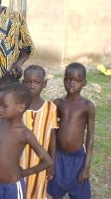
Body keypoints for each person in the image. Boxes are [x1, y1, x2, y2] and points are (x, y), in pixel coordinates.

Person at [0, 82, 52, 199]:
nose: (0, 109)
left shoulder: (24, 133)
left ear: (21, 107)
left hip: (12, 187)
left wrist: (24, 173)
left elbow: (47, 161)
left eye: (4, 106)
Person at [47, 62, 95, 199]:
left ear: (84, 83)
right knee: (56, 190)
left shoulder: (87, 106)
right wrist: (51, 160)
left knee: (79, 191)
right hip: (59, 156)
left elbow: (90, 137)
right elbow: (53, 133)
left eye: (77, 80)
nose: (71, 84)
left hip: (78, 158)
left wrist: (86, 166)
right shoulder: (57, 103)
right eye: (68, 80)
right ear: (63, 80)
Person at [21, 64, 58, 199]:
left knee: (37, 192)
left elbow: (52, 137)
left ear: (45, 84)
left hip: (40, 163)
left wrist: (52, 163)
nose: (32, 86)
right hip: (19, 162)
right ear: (22, 82)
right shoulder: (18, 105)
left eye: (36, 82)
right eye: (28, 82)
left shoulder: (50, 108)